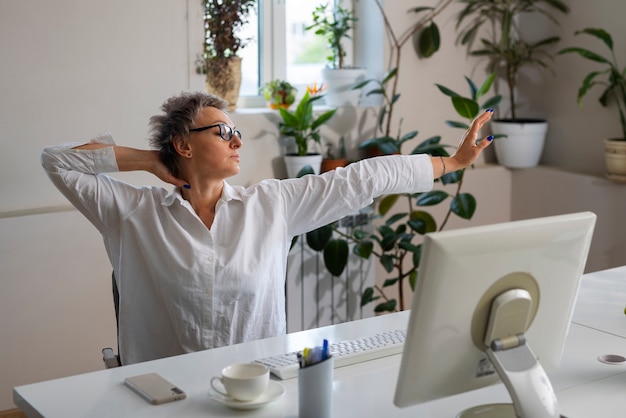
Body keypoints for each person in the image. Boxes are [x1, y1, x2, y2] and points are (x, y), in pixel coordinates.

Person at [41, 91, 494, 365]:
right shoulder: (131, 212)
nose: (237, 140)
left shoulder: (271, 204)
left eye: (236, 130)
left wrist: (449, 164)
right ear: (184, 144)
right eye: (222, 132)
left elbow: (362, 179)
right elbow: (57, 160)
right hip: (161, 396)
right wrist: (150, 160)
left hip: (254, 388)